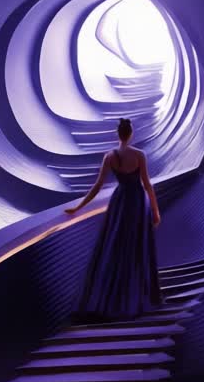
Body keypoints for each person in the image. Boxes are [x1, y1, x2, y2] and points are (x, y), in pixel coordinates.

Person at [64, 118, 164, 320]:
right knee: (136, 247)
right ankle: (135, 297)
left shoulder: (109, 156)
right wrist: (155, 210)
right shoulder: (139, 155)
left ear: (117, 134)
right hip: (137, 202)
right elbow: (147, 184)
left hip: (120, 202)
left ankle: (111, 299)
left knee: (116, 247)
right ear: (131, 134)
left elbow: (97, 186)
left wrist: (78, 207)